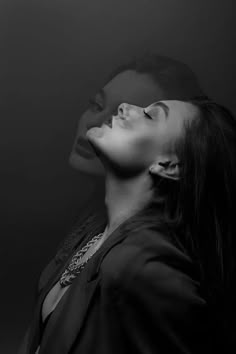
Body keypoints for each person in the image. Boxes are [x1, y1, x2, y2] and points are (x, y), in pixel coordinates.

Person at [18, 54, 210, 353]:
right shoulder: (93, 225)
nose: (95, 121)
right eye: (96, 105)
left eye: (148, 115)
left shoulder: (148, 266)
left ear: (170, 161)